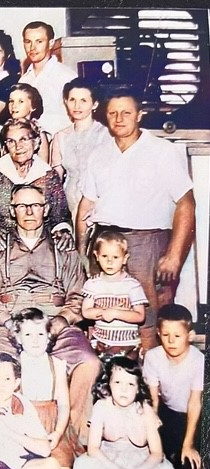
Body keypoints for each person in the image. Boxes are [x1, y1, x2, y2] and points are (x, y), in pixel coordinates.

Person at [0, 184, 99, 446]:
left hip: (54, 321)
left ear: (47, 209)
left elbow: (77, 294)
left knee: (88, 361)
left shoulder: (63, 248)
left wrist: (61, 321)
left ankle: (73, 432)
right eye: (22, 206)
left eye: (35, 205)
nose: (29, 211)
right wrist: (10, 323)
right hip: (10, 323)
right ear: (12, 210)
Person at [76, 87, 195, 351]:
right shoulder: (98, 154)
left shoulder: (162, 151)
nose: (119, 119)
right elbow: (86, 205)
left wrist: (174, 255)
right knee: (104, 311)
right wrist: (82, 252)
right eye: (113, 113)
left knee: (147, 317)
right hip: (104, 242)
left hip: (146, 243)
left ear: (139, 115)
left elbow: (186, 204)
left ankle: (149, 373)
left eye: (126, 113)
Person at [0, 118, 71, 261]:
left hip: (38, 248)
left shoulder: (48, 175)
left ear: (36, 142)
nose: (18, 146)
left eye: (23, 140)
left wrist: (63, 231)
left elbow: (60, 216)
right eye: (11, 141)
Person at [73, 356, 175, 469]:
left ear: (138, 389)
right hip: (107, 459)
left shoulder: (145, 410)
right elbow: (93, 448)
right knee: (82, 464)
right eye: (117, 382)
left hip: (141, 462)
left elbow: (157, 454)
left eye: (131, 384)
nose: (124, 389)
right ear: (109, 384)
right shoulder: (101, 406)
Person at [11, 308, 77, 469]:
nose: (35, 340)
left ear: (48, 336)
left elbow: (63, 404)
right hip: (23, 426)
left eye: (40, 334)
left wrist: (58, 432)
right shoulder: (14, 365)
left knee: (62, 467)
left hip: (50, 425)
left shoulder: (57, 364)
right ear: (18, 338)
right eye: (28, 335)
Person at [143, 304, 204, 469]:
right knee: (156, 458)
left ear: (190, 336)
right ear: (158, 333)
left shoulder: (199, 361)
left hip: (197, 416)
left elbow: (194, 403)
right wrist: (152, 431)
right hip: (170, 413)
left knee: (188, 464)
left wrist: (188, 445)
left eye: (177, 336)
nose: (171, 341)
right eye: (165, 335)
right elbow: (154, 400)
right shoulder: (153, 357)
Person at [50, 78, 109, 225]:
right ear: (66, 102)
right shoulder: (60, 137)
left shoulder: (105, 135)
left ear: (94, 104)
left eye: (83, 100)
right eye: (72, 100)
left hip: (97, 205)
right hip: (69, 204)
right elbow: (56, 178)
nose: (77, 106)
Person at [82, 231, 148, 360]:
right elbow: (86, 312)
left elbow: (140, 316)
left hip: (127, 344)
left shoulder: (132, 285)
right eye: (104, 256)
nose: (109, 262)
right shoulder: (93, 283)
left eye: (115, 257)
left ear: (125, 258)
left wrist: (116, 313)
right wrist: (105, 312)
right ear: (96, 256)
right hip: (101, 342)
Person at [18, 21, 77, 135]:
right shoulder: (24, 80)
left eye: (39, 41)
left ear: (50, 44)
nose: (32, 47)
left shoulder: (67, 76)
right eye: (28, 42)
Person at [7, 83, 50, 163]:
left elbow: (43, 165)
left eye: (21, 101)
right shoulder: (7, 130)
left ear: (33, 106)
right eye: (11, 101)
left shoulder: (39, 133)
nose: (14, 105)